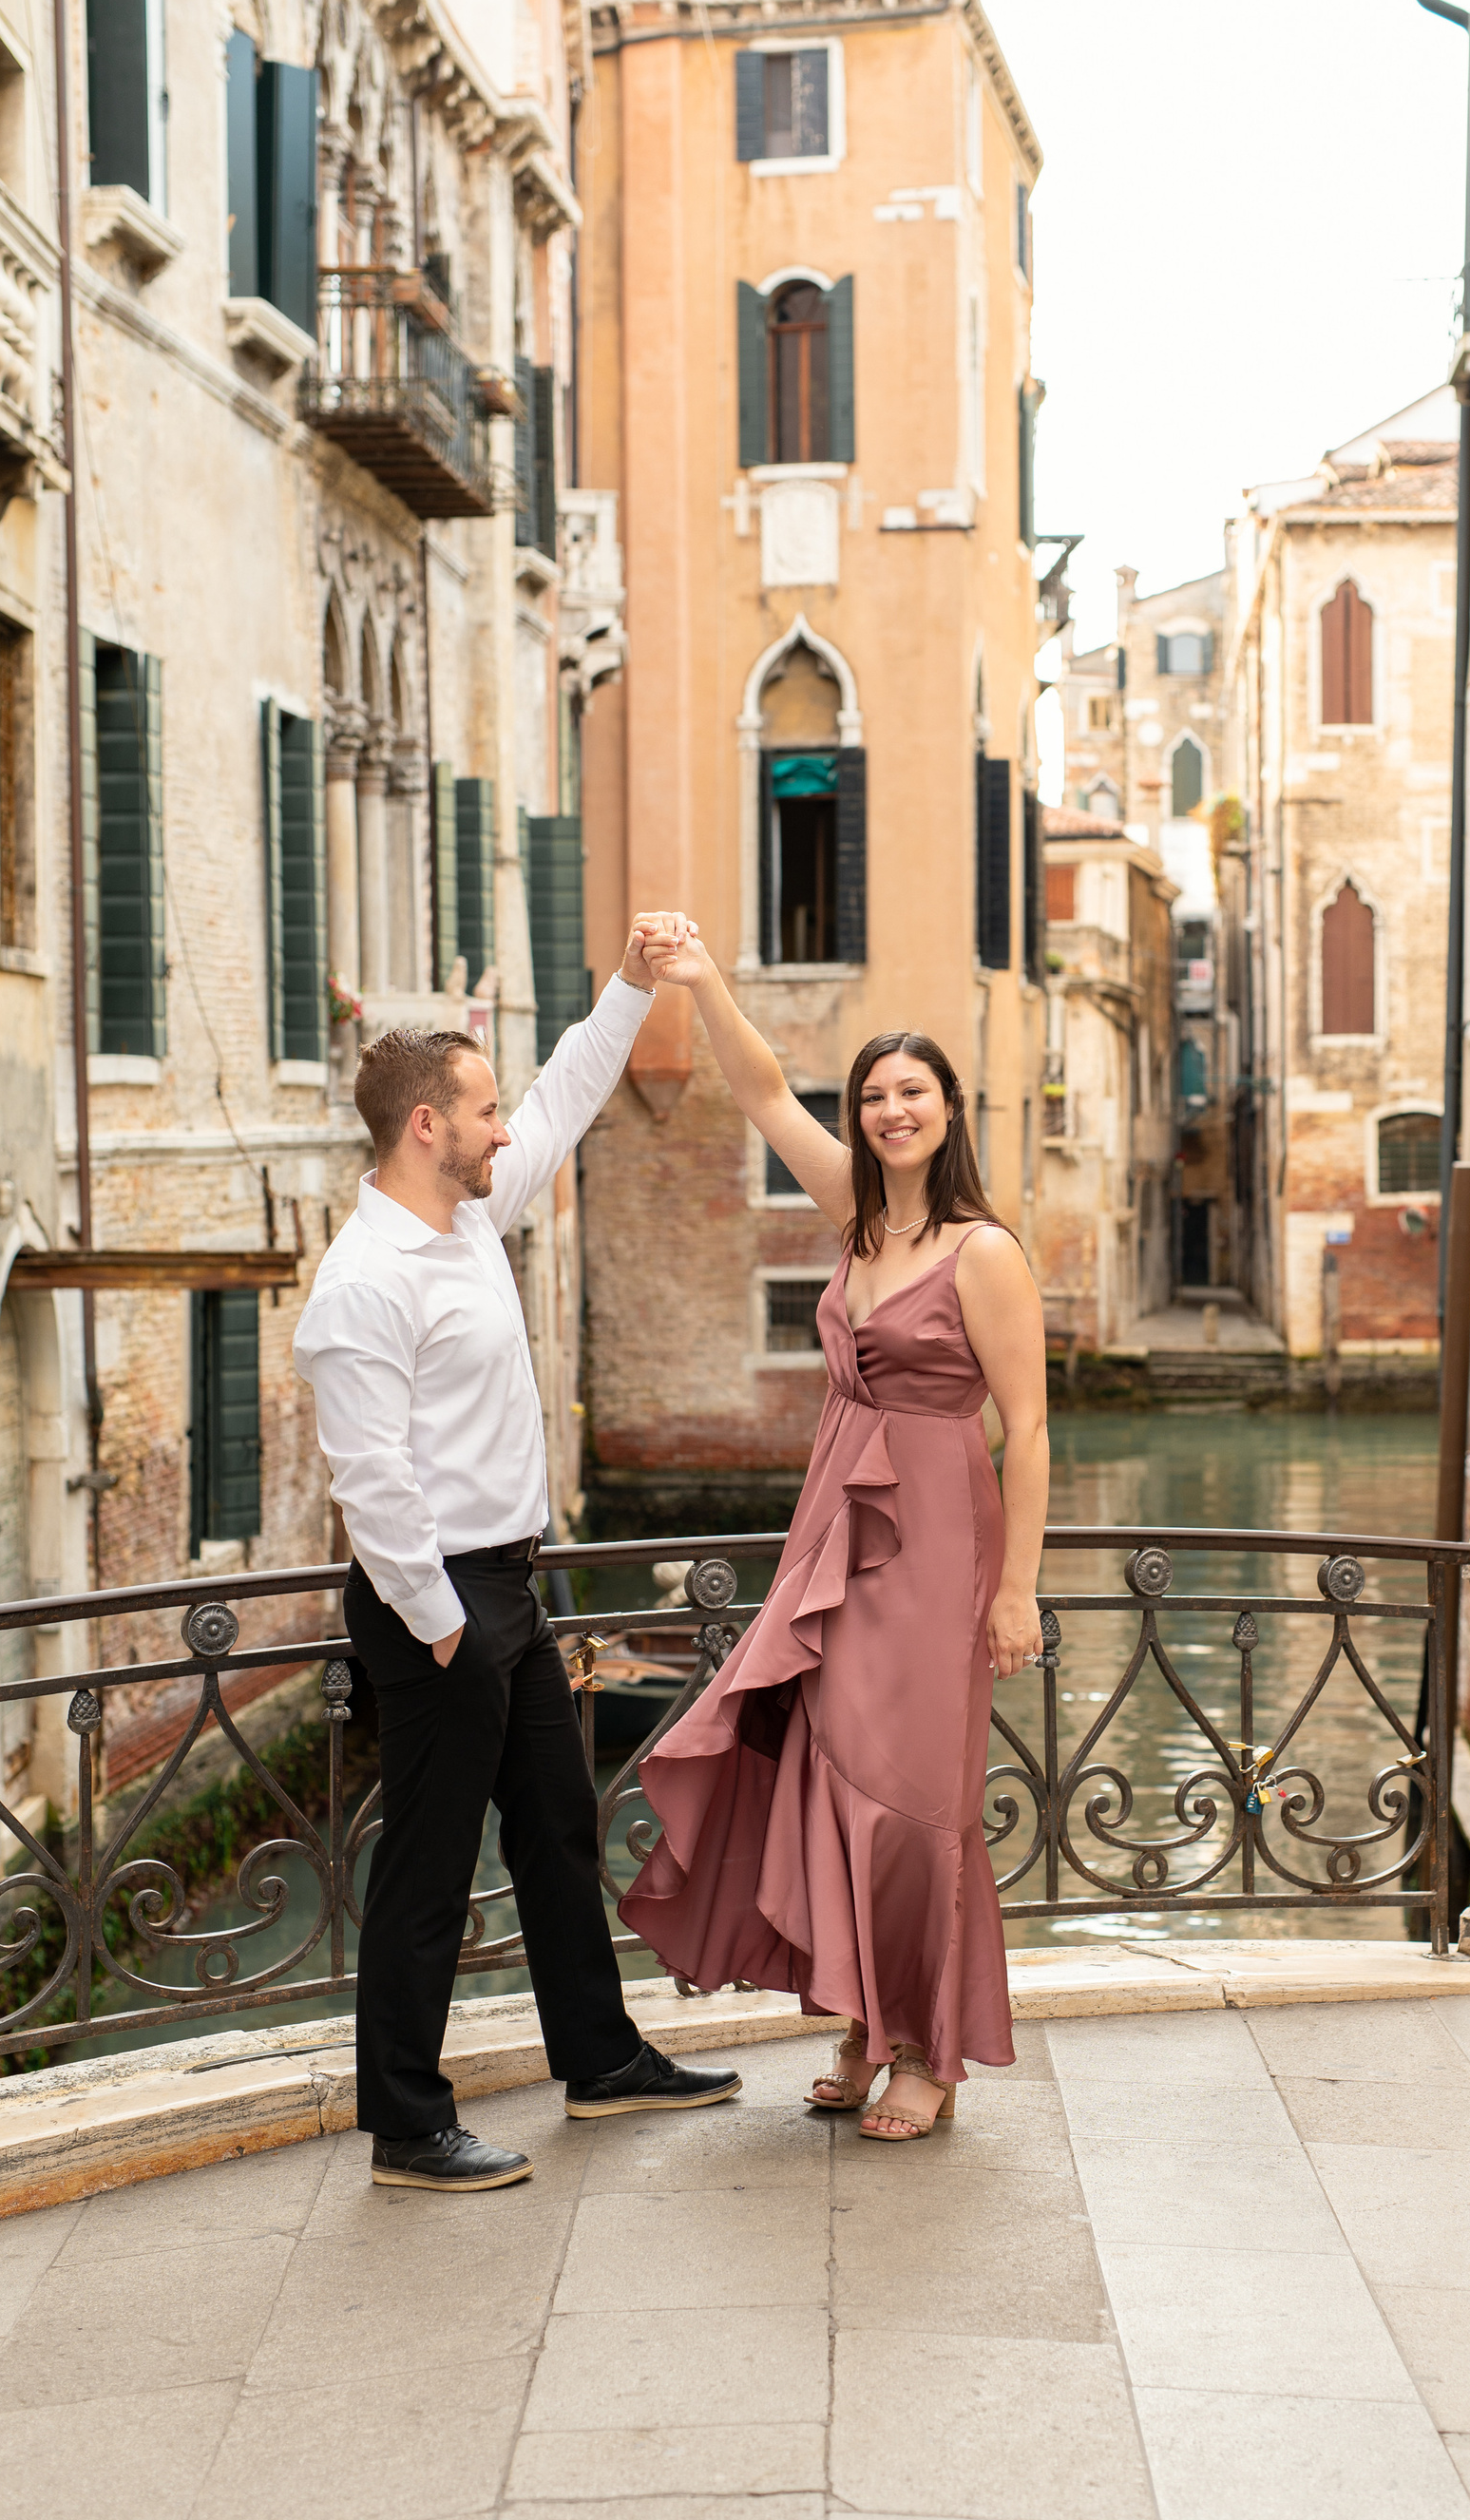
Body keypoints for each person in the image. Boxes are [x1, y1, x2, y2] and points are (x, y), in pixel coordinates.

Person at [294, 919, 742, 2192]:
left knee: (555, 1824)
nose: (505, 1129)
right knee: (429, 1867)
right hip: (436, 1601)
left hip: (509, 1587)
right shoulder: (363, 1282)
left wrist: (632, 986)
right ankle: (405, 2123)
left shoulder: (472, 1218)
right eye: (482, 1111)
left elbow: (565, 1093)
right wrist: (441, 1623)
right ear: (425, 1124)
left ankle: (599, 2059)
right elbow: (370, 1480)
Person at [619, 928, 1049, 2142]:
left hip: (936, 1538)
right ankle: (862, 2018)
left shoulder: (984, 1251)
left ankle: (925, 2048)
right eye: (872, 1096)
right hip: (835, 1527)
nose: (891, 1110)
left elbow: (1029, 1427)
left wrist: (1017, 1589)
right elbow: (763, 1092)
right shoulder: (858, 1216)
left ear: (950, 1108)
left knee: (914, 1796)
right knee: (825, 1761)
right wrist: (703, 981)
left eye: (913, 1091)